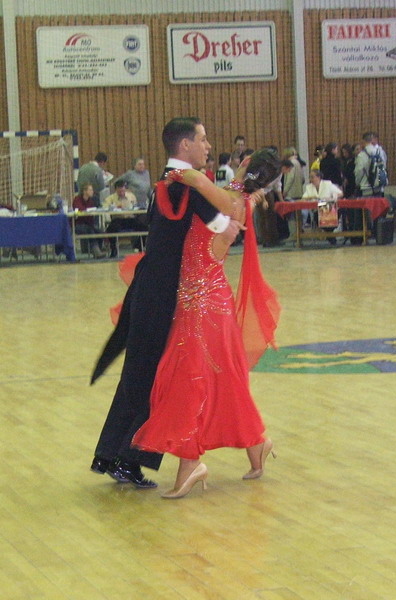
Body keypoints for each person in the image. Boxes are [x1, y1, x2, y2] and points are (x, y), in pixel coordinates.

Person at [90, 117, 243, 489]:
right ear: (185, 145)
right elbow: (228, 225)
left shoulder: (168, 181)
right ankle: (128, 458)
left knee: (139, 373)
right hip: (162, 296)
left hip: (148, 289)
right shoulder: (189, 185)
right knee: (156, 379)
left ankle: (111, 455)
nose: (208, 146)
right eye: (202, 139)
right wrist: (243, 188)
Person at [130, 149, 281, 498]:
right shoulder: (238, 201)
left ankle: (190, 463)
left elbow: (196, 179)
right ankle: (257, 445)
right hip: (205, 301)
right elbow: (214, 189)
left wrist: (175, 172)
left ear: (245, 165)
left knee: (189, 379)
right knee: (224, 379)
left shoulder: (228, 201)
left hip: (203, 305)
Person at [102, 179, 146, 258]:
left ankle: (139, 246)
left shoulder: (131, 196)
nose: (121, 193)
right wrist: (114, 207)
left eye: (123, 190)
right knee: (111, 229)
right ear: (116, 190)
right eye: (119, 191)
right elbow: (105, 208)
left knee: (144, 227)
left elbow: (136, 206)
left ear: (125, 189)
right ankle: (113, 249)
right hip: (118, 219)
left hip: (130, 219)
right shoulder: (110, 198)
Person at [302, 169, 343, 244]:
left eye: (312, 177)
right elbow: (304, 198)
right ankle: (331, 236)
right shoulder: (309, 187)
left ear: (319, 177)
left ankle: (329, 236)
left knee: (335, 215)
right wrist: (312, 197)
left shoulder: (327, 184)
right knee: (317, 218)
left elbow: (340, 193)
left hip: (330, 210)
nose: (311, 179)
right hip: (317, 212)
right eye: (310, 177)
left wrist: (331, 198)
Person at [71, 183, 107, 258]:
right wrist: (87, 211)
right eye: (90, 190)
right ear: (84, 191)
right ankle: (96, 252)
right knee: (90, 230)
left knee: (99, 231)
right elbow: (78, 210)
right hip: (78, 224)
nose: (92, 192)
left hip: (88, 224)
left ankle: (98, 249)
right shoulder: (77, 199)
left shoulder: (91, 201)